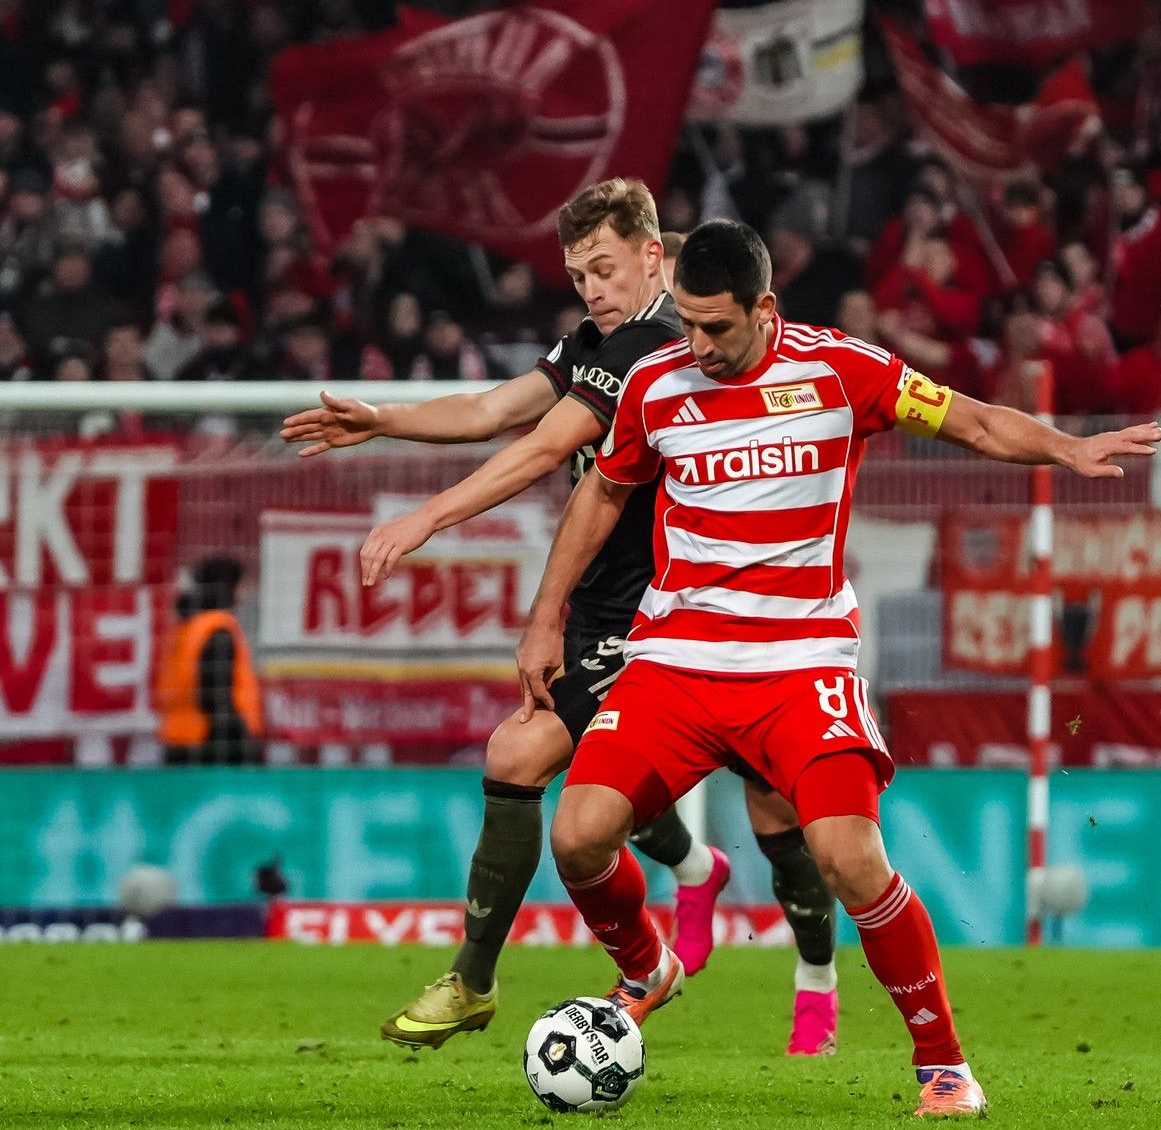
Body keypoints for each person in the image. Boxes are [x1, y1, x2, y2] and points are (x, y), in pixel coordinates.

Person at [516, 220, 1159, 1116]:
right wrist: (544, 617)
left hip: (799, 663)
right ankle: (647, 968)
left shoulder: (841, 370)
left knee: (849, 857)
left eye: (715, 327)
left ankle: (944, 1066)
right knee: (578, 834)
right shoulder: (655, 384)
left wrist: (1066, 447)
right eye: (687, 323)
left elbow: (971, 420)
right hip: (678, 661)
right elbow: (603, 492)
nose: (696, 345)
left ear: (765, 308)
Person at [281, 181, 844, 1056]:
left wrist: (426, 518)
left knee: (772, 817)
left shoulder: (660, 342)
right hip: (605, 612)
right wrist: (385, 420)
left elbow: (544, 445)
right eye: (579, 275)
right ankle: (679, 889)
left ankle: (810, 982)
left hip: (683, 616)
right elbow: (496, 408)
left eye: (605, 269)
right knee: (578, 779)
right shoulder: (595, 342)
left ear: (652, 256)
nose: (592, 289)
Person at [154, 556, 265, 767]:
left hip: (178, 737)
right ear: (230, 586)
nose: (244, 591)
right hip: (210, 743)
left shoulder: (187, 626)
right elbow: (214, 694)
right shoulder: (217, 629)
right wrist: (243, 744)